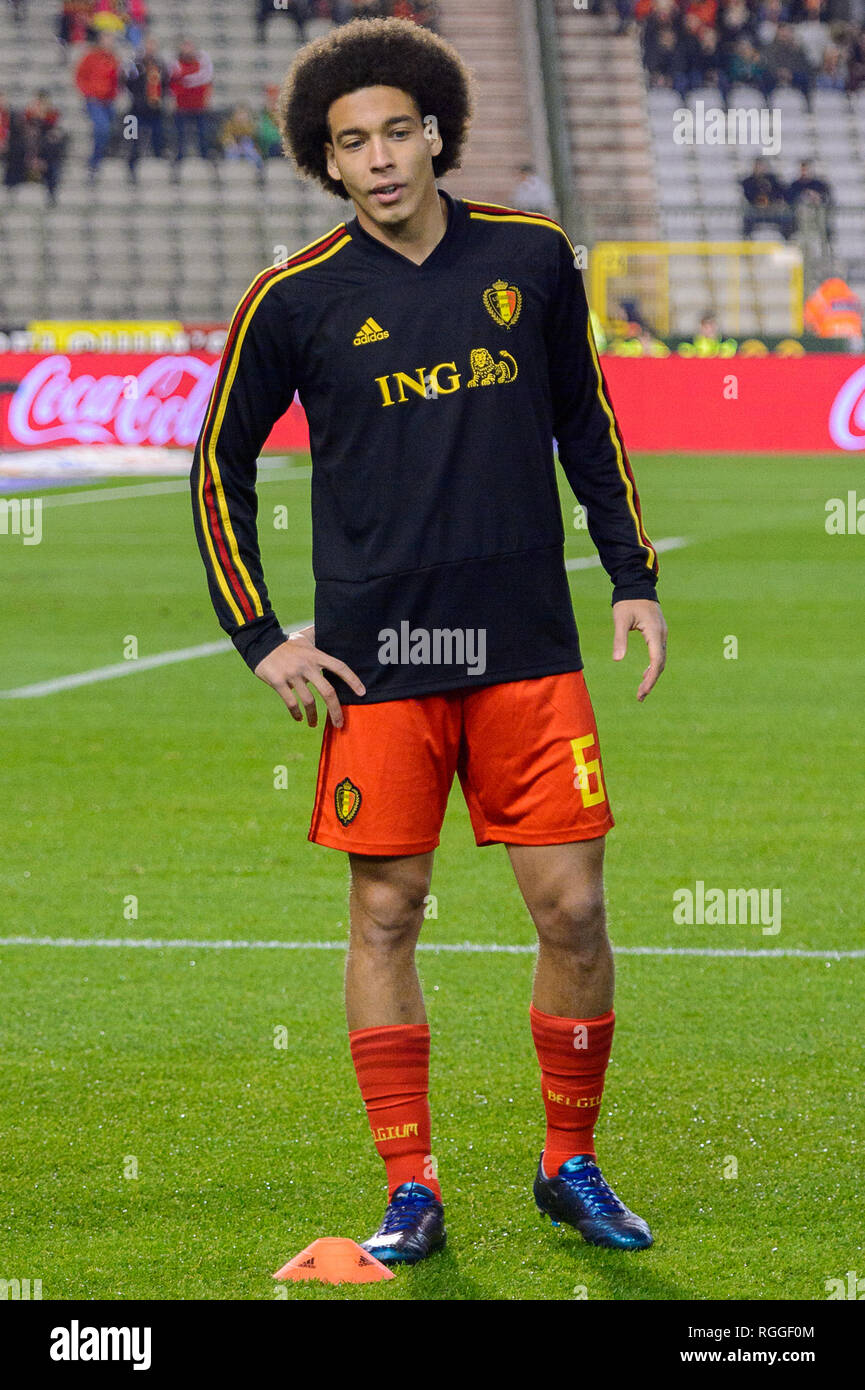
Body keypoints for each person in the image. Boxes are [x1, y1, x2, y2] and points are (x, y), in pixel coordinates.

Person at [191, 16, 666, 1266]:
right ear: (327, 163)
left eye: (399, 130)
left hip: (528, 650)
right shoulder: (290, 298)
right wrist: (258, 636)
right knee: (387, 913)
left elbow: (587, 421)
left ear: (437, 132)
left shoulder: (534, 257)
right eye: (354, 142)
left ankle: (570, 1164)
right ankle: (412, 1185)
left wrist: (631, 573)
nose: (382, 157)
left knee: (572, 912)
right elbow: (214, 468)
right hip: (377, 665)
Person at [75, 31, 120, 180]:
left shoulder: (114, 59)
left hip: (109, 101)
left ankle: (109, 156)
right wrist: (88, 93)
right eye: (107, 39)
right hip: (95, 101)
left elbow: (117, 80)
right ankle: (94, 162)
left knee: (126, 126)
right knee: (102, 129)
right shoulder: (91, 57)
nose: (109, 43)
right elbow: (79, 76)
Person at [122, 36, 169, 182]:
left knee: (158, 137)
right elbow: (127, 81)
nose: (150, 49)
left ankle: (159, 169)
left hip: (155, 109)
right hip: (136, 108)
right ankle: (131, 168)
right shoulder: (135, 64)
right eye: (147, 46)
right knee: (132, 138)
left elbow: (166, 83)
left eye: (152, 46)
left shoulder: (160, 65)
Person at [169, 36, 214, 168]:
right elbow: (172, 85)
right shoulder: (176, 66)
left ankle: (205, 156)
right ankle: (180, 157)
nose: (187, 50)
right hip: (182, 107)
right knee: (180, 134)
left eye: (189, 46)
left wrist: (207, 99)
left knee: (203, 133)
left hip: (199, 106)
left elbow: (208, 83)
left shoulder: (201, 64)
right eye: (185, 46)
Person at [741, 155, 793, 238]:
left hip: (772, 210)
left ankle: (788, 241)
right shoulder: (748, 181)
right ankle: (747, 243)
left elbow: (782, 192)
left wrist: (775, 201)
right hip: (755, 211)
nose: (759, 168)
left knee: (787, 218)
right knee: (748, 219)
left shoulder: (772, 180)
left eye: (761, 166)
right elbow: (748, 196)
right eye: (757, 166)